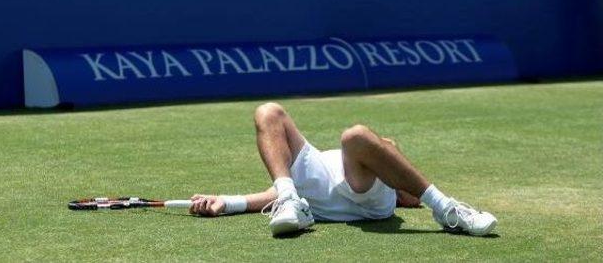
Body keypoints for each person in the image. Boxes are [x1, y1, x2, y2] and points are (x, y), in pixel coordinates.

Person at [189, 102, 497, 237]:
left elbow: (408, 195)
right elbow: (272, 191)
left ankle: (447, 209)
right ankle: (291, 204)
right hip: (311, 187)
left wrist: (403, 189)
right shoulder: (311, 174)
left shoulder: (384, 188)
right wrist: (226, 203)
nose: (389, 149)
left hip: (362, 193)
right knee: (269, 113)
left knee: (356, 136)